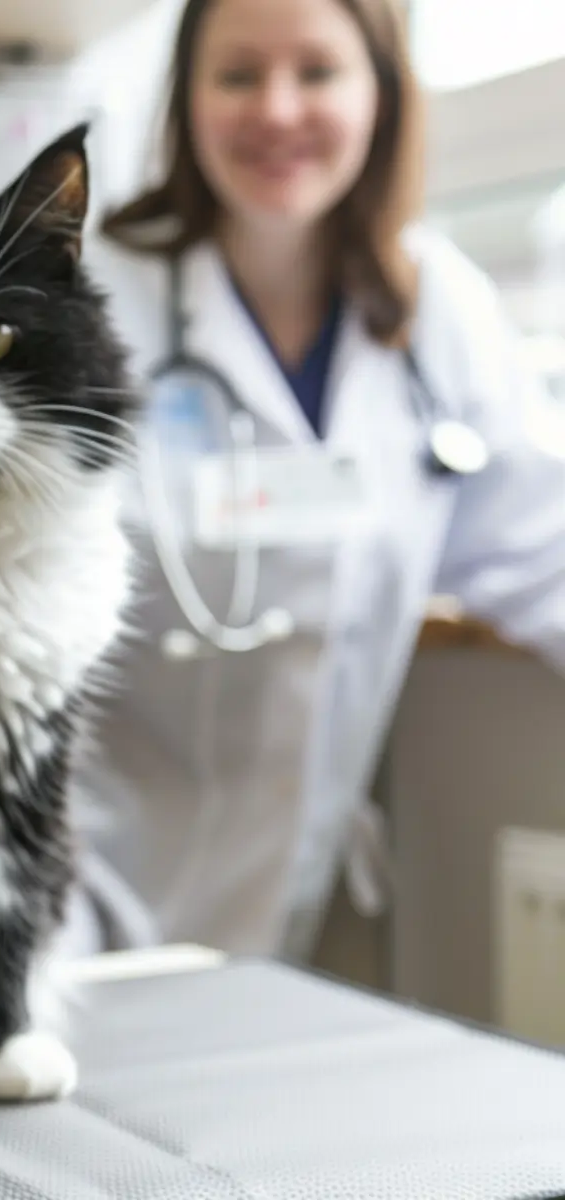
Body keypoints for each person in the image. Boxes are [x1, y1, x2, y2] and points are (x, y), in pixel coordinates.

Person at [65, 0, 565, 961]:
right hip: (81, 899)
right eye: (239, 75)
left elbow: (538, 547)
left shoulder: (437, 306)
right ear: (187, 98)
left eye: (319, 72)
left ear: (381, 91)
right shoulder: (83, 298)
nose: (279, 110)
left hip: (308, 905)